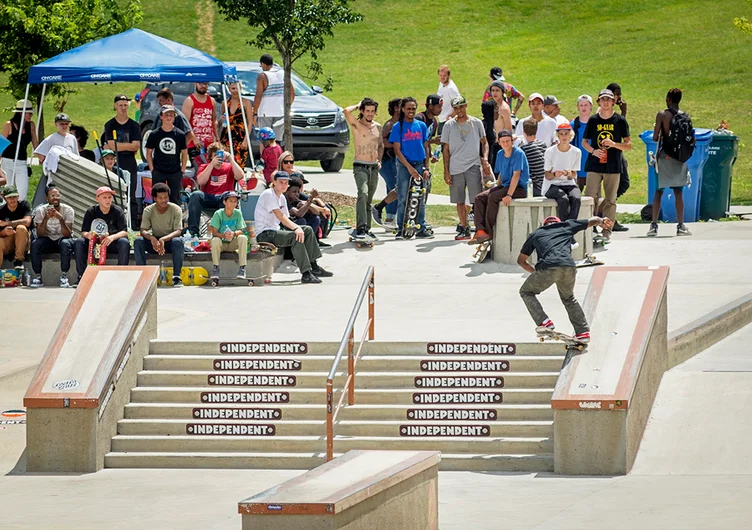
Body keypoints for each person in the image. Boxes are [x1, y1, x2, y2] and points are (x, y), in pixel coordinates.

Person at [517, 215, 613, 344]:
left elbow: (521, 261)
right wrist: (602, 221)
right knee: (569, 298)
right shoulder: (566, 226)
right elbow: (593, 220)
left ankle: (544, 322)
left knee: (526, 292)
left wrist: (538, 274)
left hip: (548, 267)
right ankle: (582, 332)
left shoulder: (536, 234)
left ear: (544, 225)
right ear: (558, 223)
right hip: (569, 267)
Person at [254, 171, 332, 284]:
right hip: (265, 234)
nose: (284, 185)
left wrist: (298, 227)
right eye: (281, 182)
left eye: (286, 183)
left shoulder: (281, 197)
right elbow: (280, 216)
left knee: (308, 230)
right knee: (296, 236)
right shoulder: (269, 194)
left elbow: (287, 218)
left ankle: (314, 266)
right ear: (274, 182)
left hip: (275, 230)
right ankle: (306, 274)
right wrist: (296, 229)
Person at [581, 89, 631, 242]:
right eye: (603, 99)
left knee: (610, 199)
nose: (606, 102)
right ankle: (590, 227)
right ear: (599, 102)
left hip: (613, 165)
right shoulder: (593, 120)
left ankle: (607, 229)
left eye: (608, 99)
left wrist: (614, 144)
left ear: (613, 102)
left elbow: (628, 145)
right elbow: (584, 142)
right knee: (591, 197)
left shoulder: (620, 121)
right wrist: (593, 151)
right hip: (594, 165)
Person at [441, 95, 491, 240]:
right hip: (456, 166)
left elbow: (484, 142)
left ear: (466, 106)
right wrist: (446, 171)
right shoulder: (448, 125)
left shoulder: (476, 123)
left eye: (461, 107)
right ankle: (464, 227)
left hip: (473, 165)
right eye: (456, 108)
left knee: (477, 199)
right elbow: (446, 149)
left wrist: (485, 159)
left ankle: (480, 228)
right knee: (459, 199)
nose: (459, 110)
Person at [469, 130, 529, 244]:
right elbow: (501, 174)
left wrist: (508, 195)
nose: (506, 143)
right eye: (503, 141)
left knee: (493, 197)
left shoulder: (518, 153)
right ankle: (480, 231)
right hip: (505, 185)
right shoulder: (500, 154)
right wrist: (496, 186)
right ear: (499, 142)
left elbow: (516, 176)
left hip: (518, 188)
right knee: (480, 197)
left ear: (512, 141)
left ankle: (488, 232)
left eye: (508, 141)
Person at [648, 88, 693, 237]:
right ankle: (680, 226)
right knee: (678, 192)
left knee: (659, 192)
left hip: (664, 157)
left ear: (668, 99)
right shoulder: (685, 116)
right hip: (679, 159)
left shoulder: (662, 115)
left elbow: (655, 138)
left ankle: (654, 226)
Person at [389, 97, 433, 240]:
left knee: (420, 196)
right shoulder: (398, 127)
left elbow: (426, 147)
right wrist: (408, 168)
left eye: (413, 108)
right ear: (402, 109)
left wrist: (426, 167)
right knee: (403, 197)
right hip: (404, 165)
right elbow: (397, 150)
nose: (411, 111)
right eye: (408, 108)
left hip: (420, 164)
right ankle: (401, 228)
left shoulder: (421, 125)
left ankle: (421, 227)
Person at [344, 98, 383, 239]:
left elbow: (381, 145)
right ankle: (360, 227)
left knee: (369, 199)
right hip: (360, 166)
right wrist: (357, 104)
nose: (370, 114)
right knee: (363, 193)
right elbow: (345, 111)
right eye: (367, 111)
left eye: (372, 111)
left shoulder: (378, 127)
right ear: (362, 111)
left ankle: (367, 228)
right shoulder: (357, 125)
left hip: (373, 167)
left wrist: (380, 160)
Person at [74, 186, 130, 283]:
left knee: (124, 242)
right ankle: (81, 276)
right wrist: (89, 236)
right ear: (97, 199)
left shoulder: (117, 211)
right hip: (94, 243)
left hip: (110, 242)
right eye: (104, 198)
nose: (108, 200)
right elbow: (84, 231)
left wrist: (113, 237)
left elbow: (124, 231)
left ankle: (121, 274)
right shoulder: (91, 211)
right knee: (79, 242)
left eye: (109, 197)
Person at [187, 142, 244, 235]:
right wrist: (211, 164)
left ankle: (223, 231)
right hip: (209, 198)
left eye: (220, 154)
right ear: (210, 157)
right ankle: (193, 231)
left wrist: (230, 159)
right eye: (216, 155)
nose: (219, 157)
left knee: (227, 196)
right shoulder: (204, 167)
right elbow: (201, 182)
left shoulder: (229, 167)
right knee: (195, 195)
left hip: (224, 197)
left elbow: (240, 176)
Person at [134, 182, 185, 285]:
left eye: (165, 197)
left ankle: (176, 276)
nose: (164, 200)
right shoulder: (148, 210)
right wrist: (152, 238)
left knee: (178, 241)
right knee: (138, 241)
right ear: (154, 198)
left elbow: (178, 231)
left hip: (169, 241)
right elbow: (143, 230)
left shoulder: (176, 209)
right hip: (154, 242)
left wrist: (163, 239)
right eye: (160, 198)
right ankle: (142, 274)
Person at [104, 94, 142, 227]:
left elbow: (137, 145)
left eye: (125, 105)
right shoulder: (110, 125)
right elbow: (110, 145)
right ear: (115, 106)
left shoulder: (134, 125)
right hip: (114, 161)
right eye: (120, 105)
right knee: (112, 193)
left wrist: (117, 146)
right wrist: (128, 146)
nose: (123, 108)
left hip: (130, 162)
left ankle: (132, 223)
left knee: (130, 193)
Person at [30, 185, 75, 288]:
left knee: (65, 243)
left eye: (58, 195)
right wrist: (45, 219)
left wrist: (61, 219)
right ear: (47, 198)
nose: (55, 198)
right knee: (35, 244)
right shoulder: (41, 210)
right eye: (52, 195)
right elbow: (40, 234)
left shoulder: (68, 210)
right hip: (47, 239)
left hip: (62, 238)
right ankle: (38, 276)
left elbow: (67, 234)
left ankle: (64, 276)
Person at [146, 105, 188, 205]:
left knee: (176, 200)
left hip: (175, 172)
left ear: (174, 117)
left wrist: (182, 170)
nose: (168, 117)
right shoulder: (154, 134)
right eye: (166, 115)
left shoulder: (180, 134)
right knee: (157, 199)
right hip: (158, 171)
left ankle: (176, 220)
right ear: (161, 116)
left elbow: (184, 154)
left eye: (171, 115)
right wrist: (152, 170)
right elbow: (149, 153)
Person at [252, 54, 295, 151]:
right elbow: (292, 93)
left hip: (265, 112)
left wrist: (255, 112)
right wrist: (287, 107)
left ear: (263, 64)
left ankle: (265, 160)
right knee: (277, 140)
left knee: (264, 138)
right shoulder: (283, 74)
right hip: (280, 111)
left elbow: (258, 95)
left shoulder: (262, 76)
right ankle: (277, 159)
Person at [371, 97, 402, 229]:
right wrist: (397, 145)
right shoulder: (390, 124)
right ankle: (389, 217)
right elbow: (382, 142)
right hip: (386, 161)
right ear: (396, 108)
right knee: (394, 187)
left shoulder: (400, 124)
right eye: (402, 106)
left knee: (394, 188)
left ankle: (391, 218)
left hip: (394, 161)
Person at [544, 123, 582, 224]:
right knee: (563, 199)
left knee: (576, 198)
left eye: (566, 134)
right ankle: (563, 227)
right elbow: (547, 175)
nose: (564, 136)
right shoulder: (550, 151)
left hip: (569, 184)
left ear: (571, 135)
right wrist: (555, 174)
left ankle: (571, 226)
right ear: (558, 136)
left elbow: (574, 175)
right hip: (553, 185)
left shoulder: (576, 152)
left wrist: (569, 173)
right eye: (561, 134)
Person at [605, 82, 630, 233]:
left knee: (623, 184)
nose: (619, 97)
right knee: (616, 187)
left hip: (618, 152)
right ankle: (606, 214)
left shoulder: (617, 114)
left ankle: (607, 213)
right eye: (617, 94)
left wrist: (623, 112)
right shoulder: (604, 112)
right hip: (608, 155)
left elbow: (622, 132)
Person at [1, 99, 38, 201]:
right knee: (8, 192)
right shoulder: (9, 125)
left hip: (21, 162)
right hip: (7, 162)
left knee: (22, 193)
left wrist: (43, 158)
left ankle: (22, 214)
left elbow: (35, 144)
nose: (31, 115)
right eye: (29, 113)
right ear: (21, 113)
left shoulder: (31, 125)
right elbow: (1, 145)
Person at [208, 191, 248, 280]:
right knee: (215, 240)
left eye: (235, 201)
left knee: (243, 238)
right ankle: (215, 267)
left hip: (232, 242)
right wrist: (224, 236)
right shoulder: (218, 213)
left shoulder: (238, 213)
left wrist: (233, 234)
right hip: (221, 243)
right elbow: (214, 233)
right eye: (230, 201)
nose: (233, 203)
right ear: (224, 202)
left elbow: (240, 230)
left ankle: (242, 268)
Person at [219, 81, 254, 168]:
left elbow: (250, 123)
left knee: (239, 163)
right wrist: (222, 120)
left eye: (237, 88)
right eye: (233, 88)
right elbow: (223, 118)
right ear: (229, 89)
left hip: (241, 137)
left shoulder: (246, 103)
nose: (235, 91)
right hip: (227, 136)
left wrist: (246, 140)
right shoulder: (225, 103)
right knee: (226, 163)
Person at [182, 82, 218, 164]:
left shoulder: (212, 101)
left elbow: (214, 120)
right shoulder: (189, 100)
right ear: (195, 84)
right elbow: (185, 123)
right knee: (199, 170)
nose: (203, 86)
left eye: (205, 84)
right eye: (201, 83)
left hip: (209, 144)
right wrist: (194, 138)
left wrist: (217, 137)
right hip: (195, 144)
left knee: (210, 169)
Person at [481, 81, 513, 169]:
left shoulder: (504, 108)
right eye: (493, 90)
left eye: (497, 90)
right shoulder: (491, 106)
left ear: (502, 92)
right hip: (491, 141)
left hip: (500, 143)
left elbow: (508, 129)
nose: (495, 93)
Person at [0, 185, 32, 268]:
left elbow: (27, 222)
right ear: (5, 198)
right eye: (9, 197)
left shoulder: (24, 205)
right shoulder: (1, 210)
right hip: (8, 241)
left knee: (20, 228)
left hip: (23, 241)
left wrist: (7, 223)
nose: (12, 199)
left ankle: (19, 261)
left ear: (18, 196)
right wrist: (4, 232)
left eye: (14, 196)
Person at [519, 118, 547, 197]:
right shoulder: (543, 144)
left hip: (534, 186)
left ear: (524, 132)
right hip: (545, 184)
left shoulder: (524, 149)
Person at [570, 95, 593, 191]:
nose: (583, 108)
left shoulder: (596, 123)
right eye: (581, 105)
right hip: (577, 168)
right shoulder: (572, 125)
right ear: (578, 107)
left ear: (591, 106)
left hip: (592, 168)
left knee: (594, 198)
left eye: (586, 105)